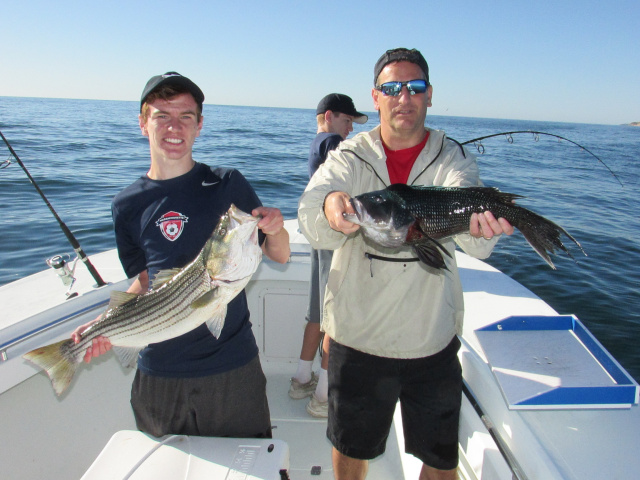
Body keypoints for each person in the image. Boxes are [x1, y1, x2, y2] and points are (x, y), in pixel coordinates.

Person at [298, 49, 515, 479]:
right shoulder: (349, 154)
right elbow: (310, 211)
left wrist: (480, 229)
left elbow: (474, 238)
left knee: (440, 462)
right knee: (350, 449)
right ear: (376, 96)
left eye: (415, 88)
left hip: (430, 337)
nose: (404, 97)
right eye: (392, 88)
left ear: (429, 96)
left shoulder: (452, 158)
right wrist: (330, 205)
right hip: (358, 336)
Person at [71, 72, 290, 439]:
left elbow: (279, 255)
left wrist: (277, 229)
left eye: (186, 116)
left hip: (232, 368)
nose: (175, 127)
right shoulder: (126, 204)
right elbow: (144, 281)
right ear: (143, 123)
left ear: (199, 125)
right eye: (162, 115)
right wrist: (101, 325)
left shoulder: (227, 183)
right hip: (159, 373)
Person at [289, 94, 367, 418]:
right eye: (348, 120)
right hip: (334, 240)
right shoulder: (334, 142)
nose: (350, 129)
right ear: (330, 116)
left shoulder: (316, 142)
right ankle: (323, 396)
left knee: (316, 313)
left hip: (317, 237)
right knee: (333, 318)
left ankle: (301, 378)